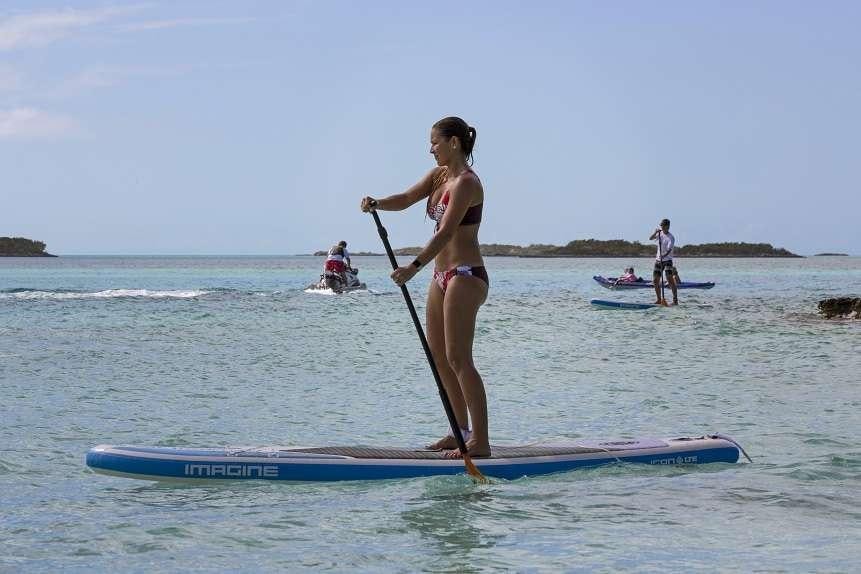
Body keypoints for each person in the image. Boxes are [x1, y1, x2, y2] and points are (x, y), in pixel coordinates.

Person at [360, 116, 490, 458]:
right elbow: (405, 198)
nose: (430, 149)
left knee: (460, 358)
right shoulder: (439, 176)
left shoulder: (466, 183)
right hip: (441, 277)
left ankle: (480, 441)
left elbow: (446, 232)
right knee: (440, 359)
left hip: (466, 274)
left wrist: (413, 268)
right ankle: (458, 432)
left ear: (454, 143)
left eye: (435, 142)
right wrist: (378, 204)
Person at [649, 219, 678, 305]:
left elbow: (669, 250)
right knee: (655, 280)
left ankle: (675, 300)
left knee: (669, 279)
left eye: (663, 226)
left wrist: (664, 256)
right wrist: (655, 233)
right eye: (661, 225)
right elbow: (650, 238)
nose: (661, 227)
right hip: (658, 260)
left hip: (667, 260)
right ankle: (659, 299)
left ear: (668, 226)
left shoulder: (671, 237)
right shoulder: (659, 234)